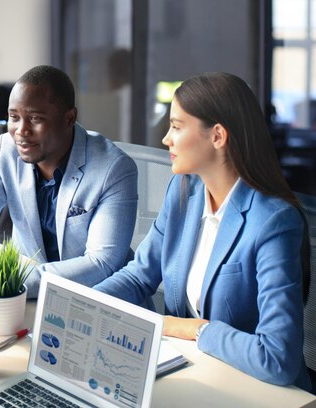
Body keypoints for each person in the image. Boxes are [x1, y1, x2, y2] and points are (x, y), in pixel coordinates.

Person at [93, 72, 312, 390]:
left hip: (258, 390)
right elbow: (139, 275)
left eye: (177, 127)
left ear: (218, 136)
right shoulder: (183, 191)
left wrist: (193, 330)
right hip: (194, 372)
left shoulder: (274, 222)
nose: (166, 138)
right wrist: (86, 305)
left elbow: (277, 359)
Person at [0, 65, 138, 299]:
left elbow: (101, 263)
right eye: (14, 117)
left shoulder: (114, 168)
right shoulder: (7, 151)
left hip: (100, 301)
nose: (21, 131)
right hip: (34, 301)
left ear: (69, 118)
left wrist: (0, 283)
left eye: (35, 118)